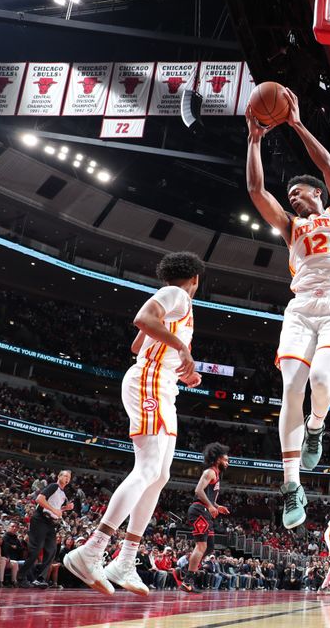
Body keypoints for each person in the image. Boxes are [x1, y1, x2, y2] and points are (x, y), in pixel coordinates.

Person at [246, 89, 330, 529]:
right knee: (291, 383)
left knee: (319, 377)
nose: (292, 196)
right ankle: (291, 485)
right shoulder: (290, 226)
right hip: (301, 308)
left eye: (298, 190)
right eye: (289, 193)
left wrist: (294, 123)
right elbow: (256, 189)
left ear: (316, 193)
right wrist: (255, 138)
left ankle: (316, 426)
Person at [64, 252, 204, 595]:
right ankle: (92, 549)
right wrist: (181, 350)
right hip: (149, 383)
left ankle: (125, 559)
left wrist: (181, 365)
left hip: (163, 384)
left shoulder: (174, 306)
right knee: (146, 470)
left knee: (159, 476)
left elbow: (137, 343)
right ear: (196, 279)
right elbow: (143, 319)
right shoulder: (178, 295)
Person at [179, 442, 230, 593]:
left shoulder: (217, 475)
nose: (228, 463)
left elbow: (208, 496)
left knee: (210, 547)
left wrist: (216, 505)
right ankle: (187, 579)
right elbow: (198, 491)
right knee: (201, 546)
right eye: (226, 460)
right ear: (218, 459)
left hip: (205, 510)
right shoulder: (210, 472)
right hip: (199, 510)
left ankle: (186, 569)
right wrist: (210, 506)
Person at [18, 470, 74, 588]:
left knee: (52, 550)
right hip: (40, 519)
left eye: (69, 477)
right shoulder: (53, 486)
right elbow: (39, 499)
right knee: (36, 549)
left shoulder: (63, 494)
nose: (67, 478)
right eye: (64, 475)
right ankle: (21, 577)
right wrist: (55, 510)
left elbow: (54, 508)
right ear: (59, 476)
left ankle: (40, 578)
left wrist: (64, 508)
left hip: (50, 522)